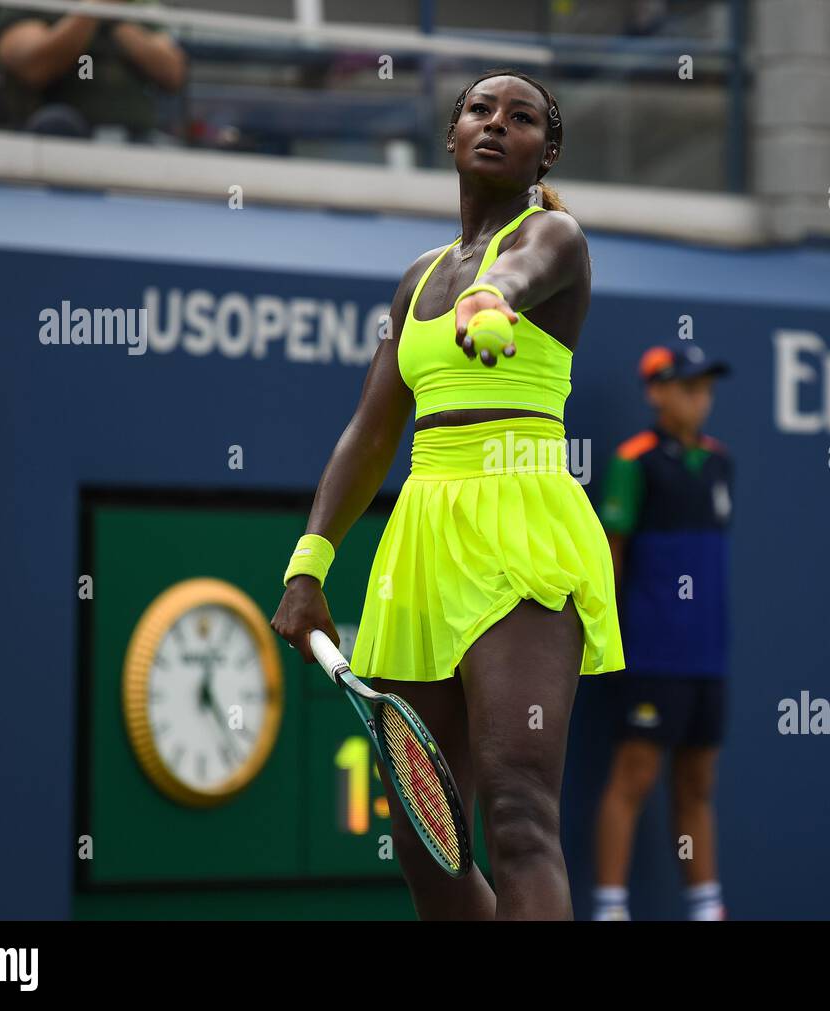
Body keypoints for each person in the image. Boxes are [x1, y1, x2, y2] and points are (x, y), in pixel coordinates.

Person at [270, 69, 625, 921]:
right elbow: (371, 433)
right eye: (479, 110)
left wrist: (492, 299)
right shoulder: (416, 279)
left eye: (522, 117)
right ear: (454, 134)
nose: (496, 123)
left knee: (518, 813)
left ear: (547, 151)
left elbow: (520, 274)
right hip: (422, 547)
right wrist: (309, 565)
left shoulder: (557, 237)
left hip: (522, 532)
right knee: (425, 842)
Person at [592, 343, 733, 921]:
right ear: (657, 391)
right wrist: (613, 641)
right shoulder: (634, 461)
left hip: (708, 657)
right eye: (688, 387)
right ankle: (610, 908)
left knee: (697, 784)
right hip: (652, 653)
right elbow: (611, 556)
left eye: (706, 388)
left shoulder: (721, 462)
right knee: (634, 778)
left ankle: (705, 907)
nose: (701, 398)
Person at [0, 0, 185, 138]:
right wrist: (92, 11)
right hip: (58, 140)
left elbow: (174, 73)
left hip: (138, 139)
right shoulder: (35, 6)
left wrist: (114, 19)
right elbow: (33, 68)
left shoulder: (137, 7)